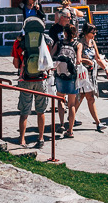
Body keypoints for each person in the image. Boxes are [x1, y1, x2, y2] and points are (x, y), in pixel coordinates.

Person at [12, 17, 52, 148]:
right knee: (41, 111)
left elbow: (16, 64)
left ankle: (22, 139)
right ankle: (40, 138)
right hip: (41, 79)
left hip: (26, 79)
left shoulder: (19, 42)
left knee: (24, 112)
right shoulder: (44, 40)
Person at [75, 22, 108, 131]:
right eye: (93, 32)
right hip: (82, 75)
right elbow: (78, 59)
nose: (95, 34)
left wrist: (105, 69)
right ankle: (98, 123)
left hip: (91, 75)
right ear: (86, 32)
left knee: (81, 97)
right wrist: (86, 60)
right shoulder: (80, 43)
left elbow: (97, 58)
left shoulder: (92, 42)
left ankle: (71, 116)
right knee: (90, 98)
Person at [51, 23, 79, 137]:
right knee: (72, 104)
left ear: (65, 33)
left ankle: (62, 124)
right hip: (72, 76)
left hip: (60, 75)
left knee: (60, 99)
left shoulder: (59, 43)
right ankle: (70, 130)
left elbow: (51, 55)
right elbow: (79, 60)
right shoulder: (78, 44)